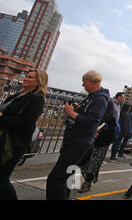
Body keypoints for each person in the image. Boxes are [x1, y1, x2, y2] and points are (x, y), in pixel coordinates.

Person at [46, 70, 109, 200]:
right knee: (68, 175)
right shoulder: (93, 97)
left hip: (79, 142)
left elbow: (90, 122)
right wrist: (78, 109)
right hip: (77, 140)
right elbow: (88, 116)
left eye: (84, 82)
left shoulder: (100, 99)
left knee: (56, 179)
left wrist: (71, 113)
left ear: (92, 82)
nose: (83, 85)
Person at [0, 69, 47, 200]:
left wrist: (2, 117)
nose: (26, 78)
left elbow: (26, 122)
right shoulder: (17, 95)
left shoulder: (37, 99)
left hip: (13, 143)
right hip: (3, 138)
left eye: (30, 77)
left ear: (39, 82)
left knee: (2, 178)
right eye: (26, 76)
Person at [78, 100, 123, 193]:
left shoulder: (110, 120)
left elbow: (111, 135)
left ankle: (87, 183)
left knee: (93, 165)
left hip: (101, 146)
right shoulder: (97, 115)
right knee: (84, 163)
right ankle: (86, 182)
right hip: (91, 143)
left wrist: (98, 133)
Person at [109, 93, 127, 162]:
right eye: (122, 97)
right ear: (118, 97)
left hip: (115, 125)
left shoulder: (119, 105)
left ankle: (102, 159)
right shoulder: (111, 102)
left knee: (110, 141)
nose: (123, 99)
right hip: (109, 124)